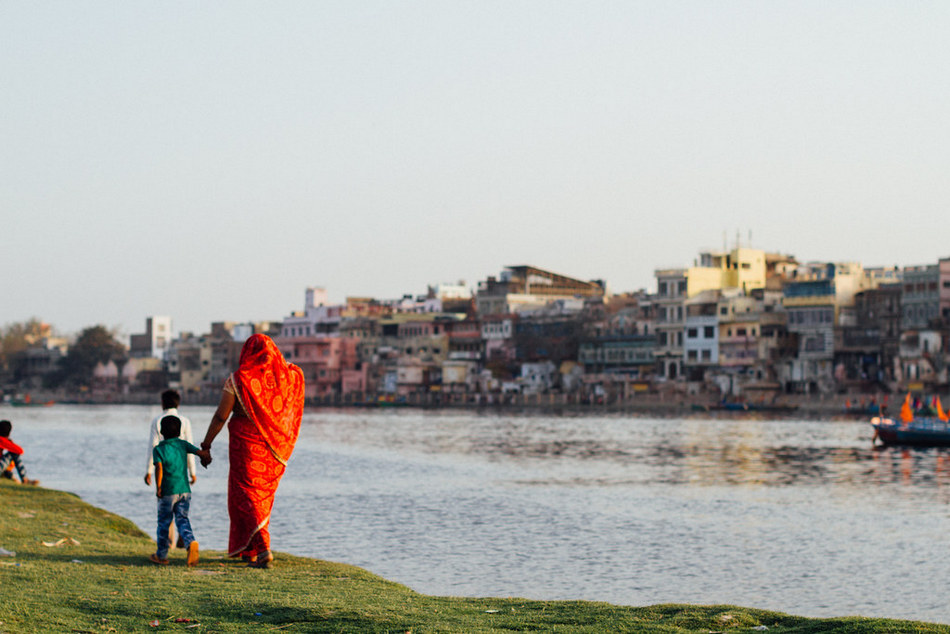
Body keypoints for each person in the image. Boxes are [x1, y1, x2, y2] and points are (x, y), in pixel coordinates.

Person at [199, 334, 305, 569]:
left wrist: (206, 444)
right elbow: (296, 377)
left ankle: (264, 548)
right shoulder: (284, 381)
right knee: (258, 497)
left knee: (246, 495)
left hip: (245, 447)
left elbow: (220, 416)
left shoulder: (238, 380)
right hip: (270, 449)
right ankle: (251, 551)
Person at [150, 415, 208, 566]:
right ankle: (190, 542)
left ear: (161, 431)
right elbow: (199, 453)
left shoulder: (159, 449)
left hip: (168, 491)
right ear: (180, 431)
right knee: (182, 519)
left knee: (164, 522)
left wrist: (159, 488)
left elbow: (159, 469)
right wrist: (206, 456)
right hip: (184, 490)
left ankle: (161, 555)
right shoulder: (182, 444)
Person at [0, 419, 38, 486]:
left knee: (8, 471)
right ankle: (24, 479)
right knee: (14, 454)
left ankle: (11, 477)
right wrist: (10, 443)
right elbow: (20, 451)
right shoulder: (1, 440)